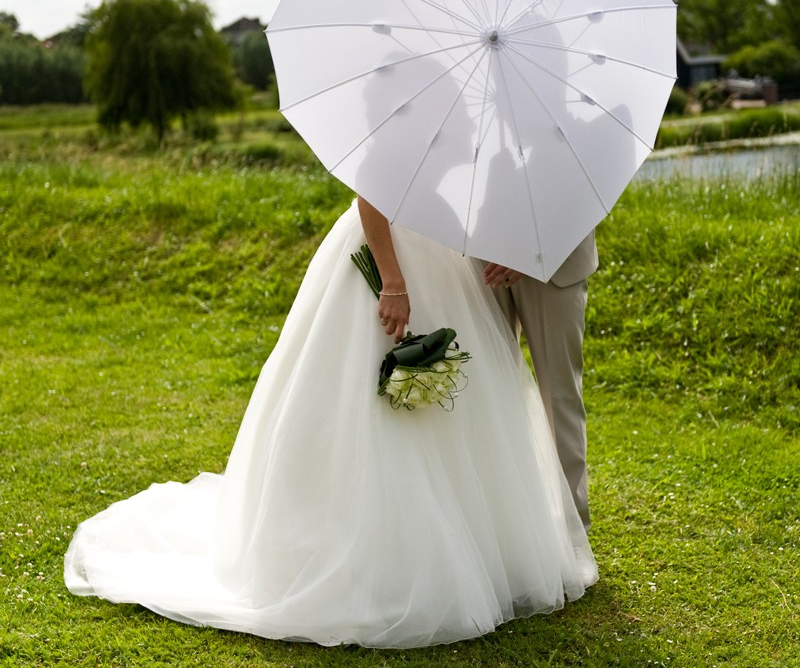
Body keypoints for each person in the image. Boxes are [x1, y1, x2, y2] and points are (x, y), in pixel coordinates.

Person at [65, 197, 597, 649]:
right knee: (370, 412)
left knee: (473, 411)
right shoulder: (397, 96)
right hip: (397, 260)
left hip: (451, 259)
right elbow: (374, 188)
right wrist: (392, 281)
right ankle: (380, 558)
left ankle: (497, 549)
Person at [483, 232, 598, 533]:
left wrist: (529, 249)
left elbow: (578, 195)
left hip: (555, 261)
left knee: (559, 396)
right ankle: (506, 529)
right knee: (490, 392)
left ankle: (574, 533)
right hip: (483, 256)